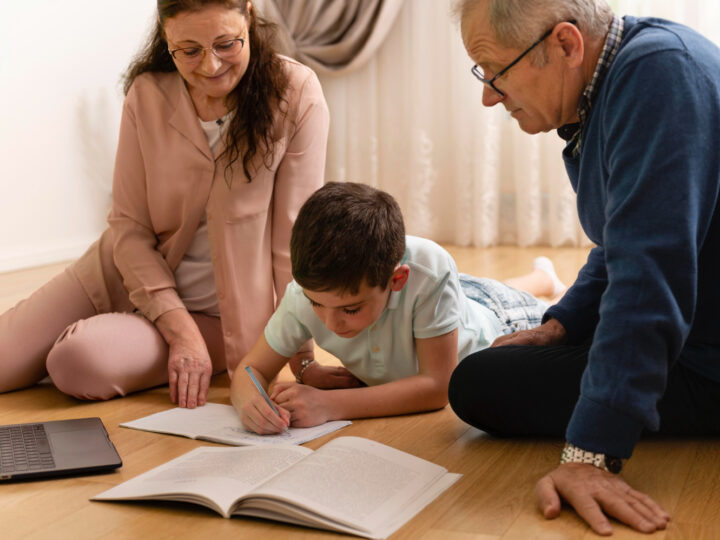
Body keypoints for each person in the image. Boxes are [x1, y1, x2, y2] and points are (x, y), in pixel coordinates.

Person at [450, 0, 720, 535]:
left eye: (496, 73)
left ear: (567, 44)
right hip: (695, 328)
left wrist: (590, 453)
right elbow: (622, 239)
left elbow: (649, 278)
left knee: (479, 385)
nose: (487, 97)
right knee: (490, 370)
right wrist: (561, 325)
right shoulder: (630, 72)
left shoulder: (658, 77)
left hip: (707, 355)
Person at [0, 0, 329, 409]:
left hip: (218, 317)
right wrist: (180, 333)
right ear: (165, 35)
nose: (210, 66)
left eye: (226, 44)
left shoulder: (296, 93)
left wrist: (302, 359)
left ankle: (111, 340)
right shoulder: (147, 94)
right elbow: (129, 227)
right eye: (189, 51)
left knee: (75, 362)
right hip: (119, 273)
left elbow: (294, 244)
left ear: (248, 13)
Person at [230, 181, 565, 433]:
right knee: (472, 287)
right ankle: (542, 276)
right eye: (316, 303)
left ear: (397, 279)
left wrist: (331, 404)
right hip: (452, 296)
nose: (331, 323)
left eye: (350, 310)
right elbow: (251, 369)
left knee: (554, 312)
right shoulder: (307, 291)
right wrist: (250, 401)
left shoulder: (429, 271)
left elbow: (437, 387)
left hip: (494, 319)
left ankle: (546, 281)